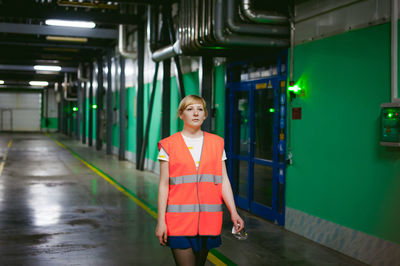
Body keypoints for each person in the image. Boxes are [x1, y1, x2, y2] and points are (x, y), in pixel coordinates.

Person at [155, 95, 244, 266]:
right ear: (181, 114)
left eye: (200, 109)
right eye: (189, 109)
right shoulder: (169, 145)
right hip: (178, 223)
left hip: (208, 222)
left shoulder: (217, 143)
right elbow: (163, 185)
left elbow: (223, 180)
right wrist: (161, 222)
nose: (195, 113)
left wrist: (234, 212)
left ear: (205, 115)